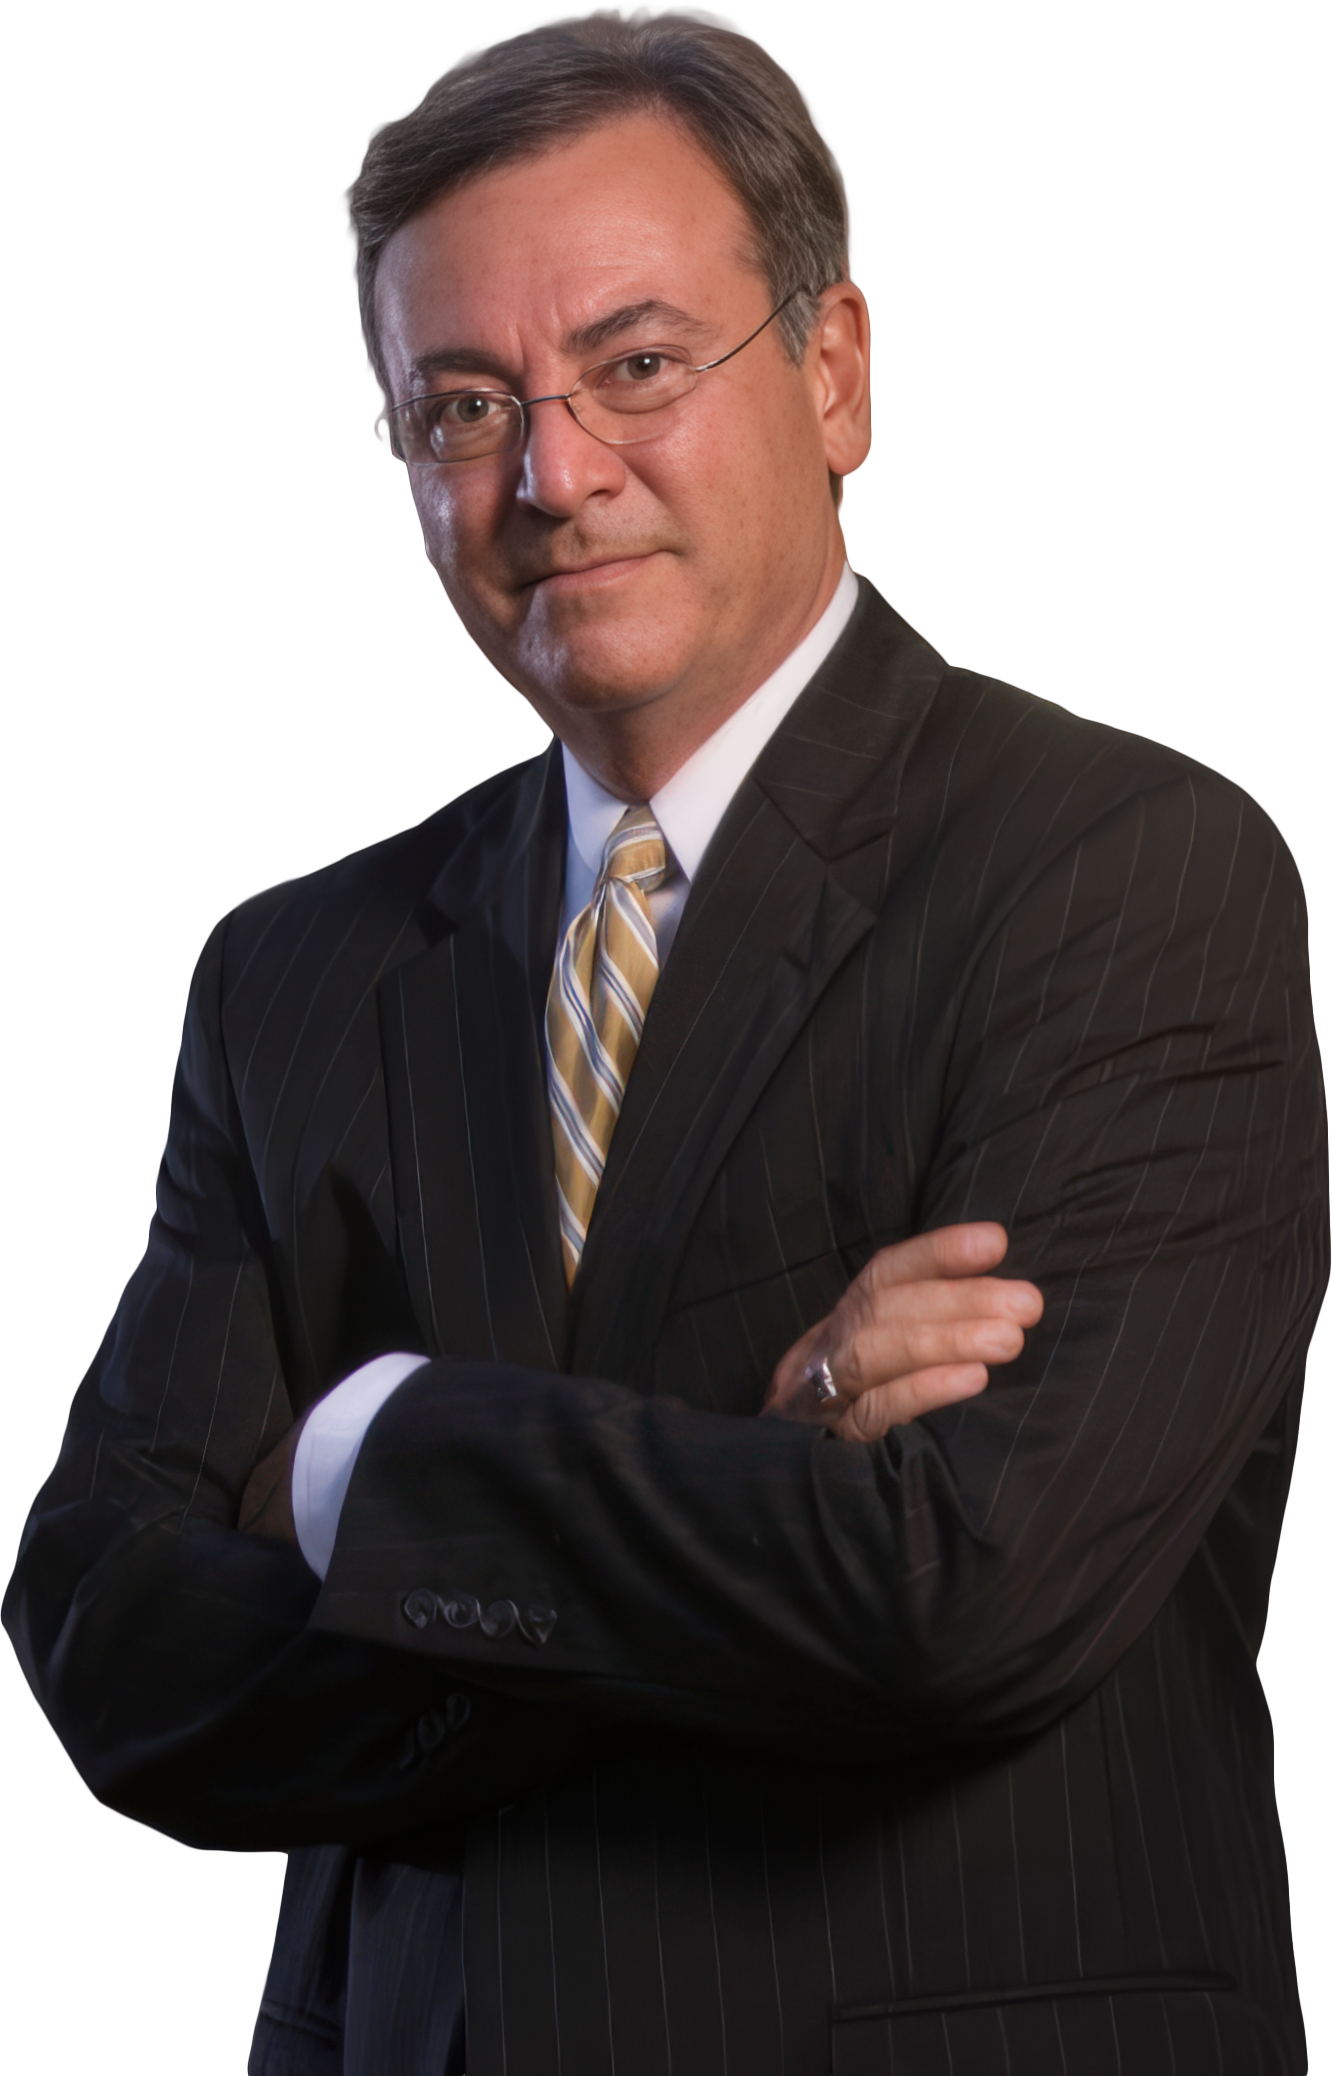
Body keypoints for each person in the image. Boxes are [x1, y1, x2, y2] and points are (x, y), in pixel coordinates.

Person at [5, 16, 1326, 2075]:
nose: (552, 475)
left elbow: (960, 1599)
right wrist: (763, 1465)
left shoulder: (1129, 882)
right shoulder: (293, 970)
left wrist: (360, 1462)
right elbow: (106, 1655)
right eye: (465, 405)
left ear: (832, 371)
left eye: (635, 364)